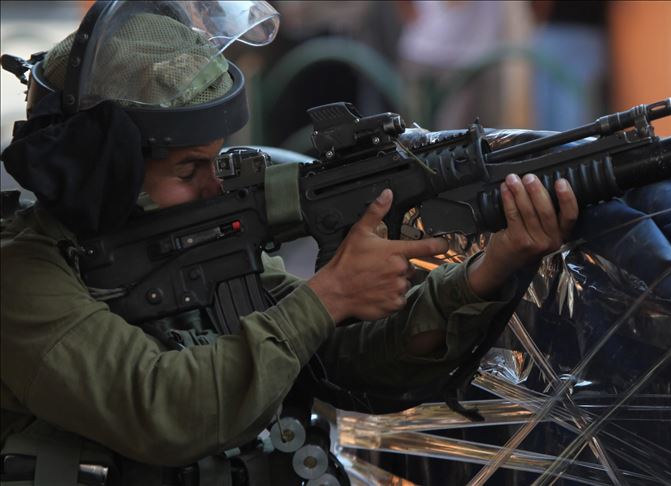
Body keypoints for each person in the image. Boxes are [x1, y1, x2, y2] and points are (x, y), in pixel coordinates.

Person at [0, 1, 578, 484]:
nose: (214, 186)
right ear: (104, 174)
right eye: (188, 170)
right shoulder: (23, 278)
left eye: (217, 160)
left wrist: (487, 269)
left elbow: (339, 360)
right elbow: (164, 411)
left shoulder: (187, 247)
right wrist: (329, 295)